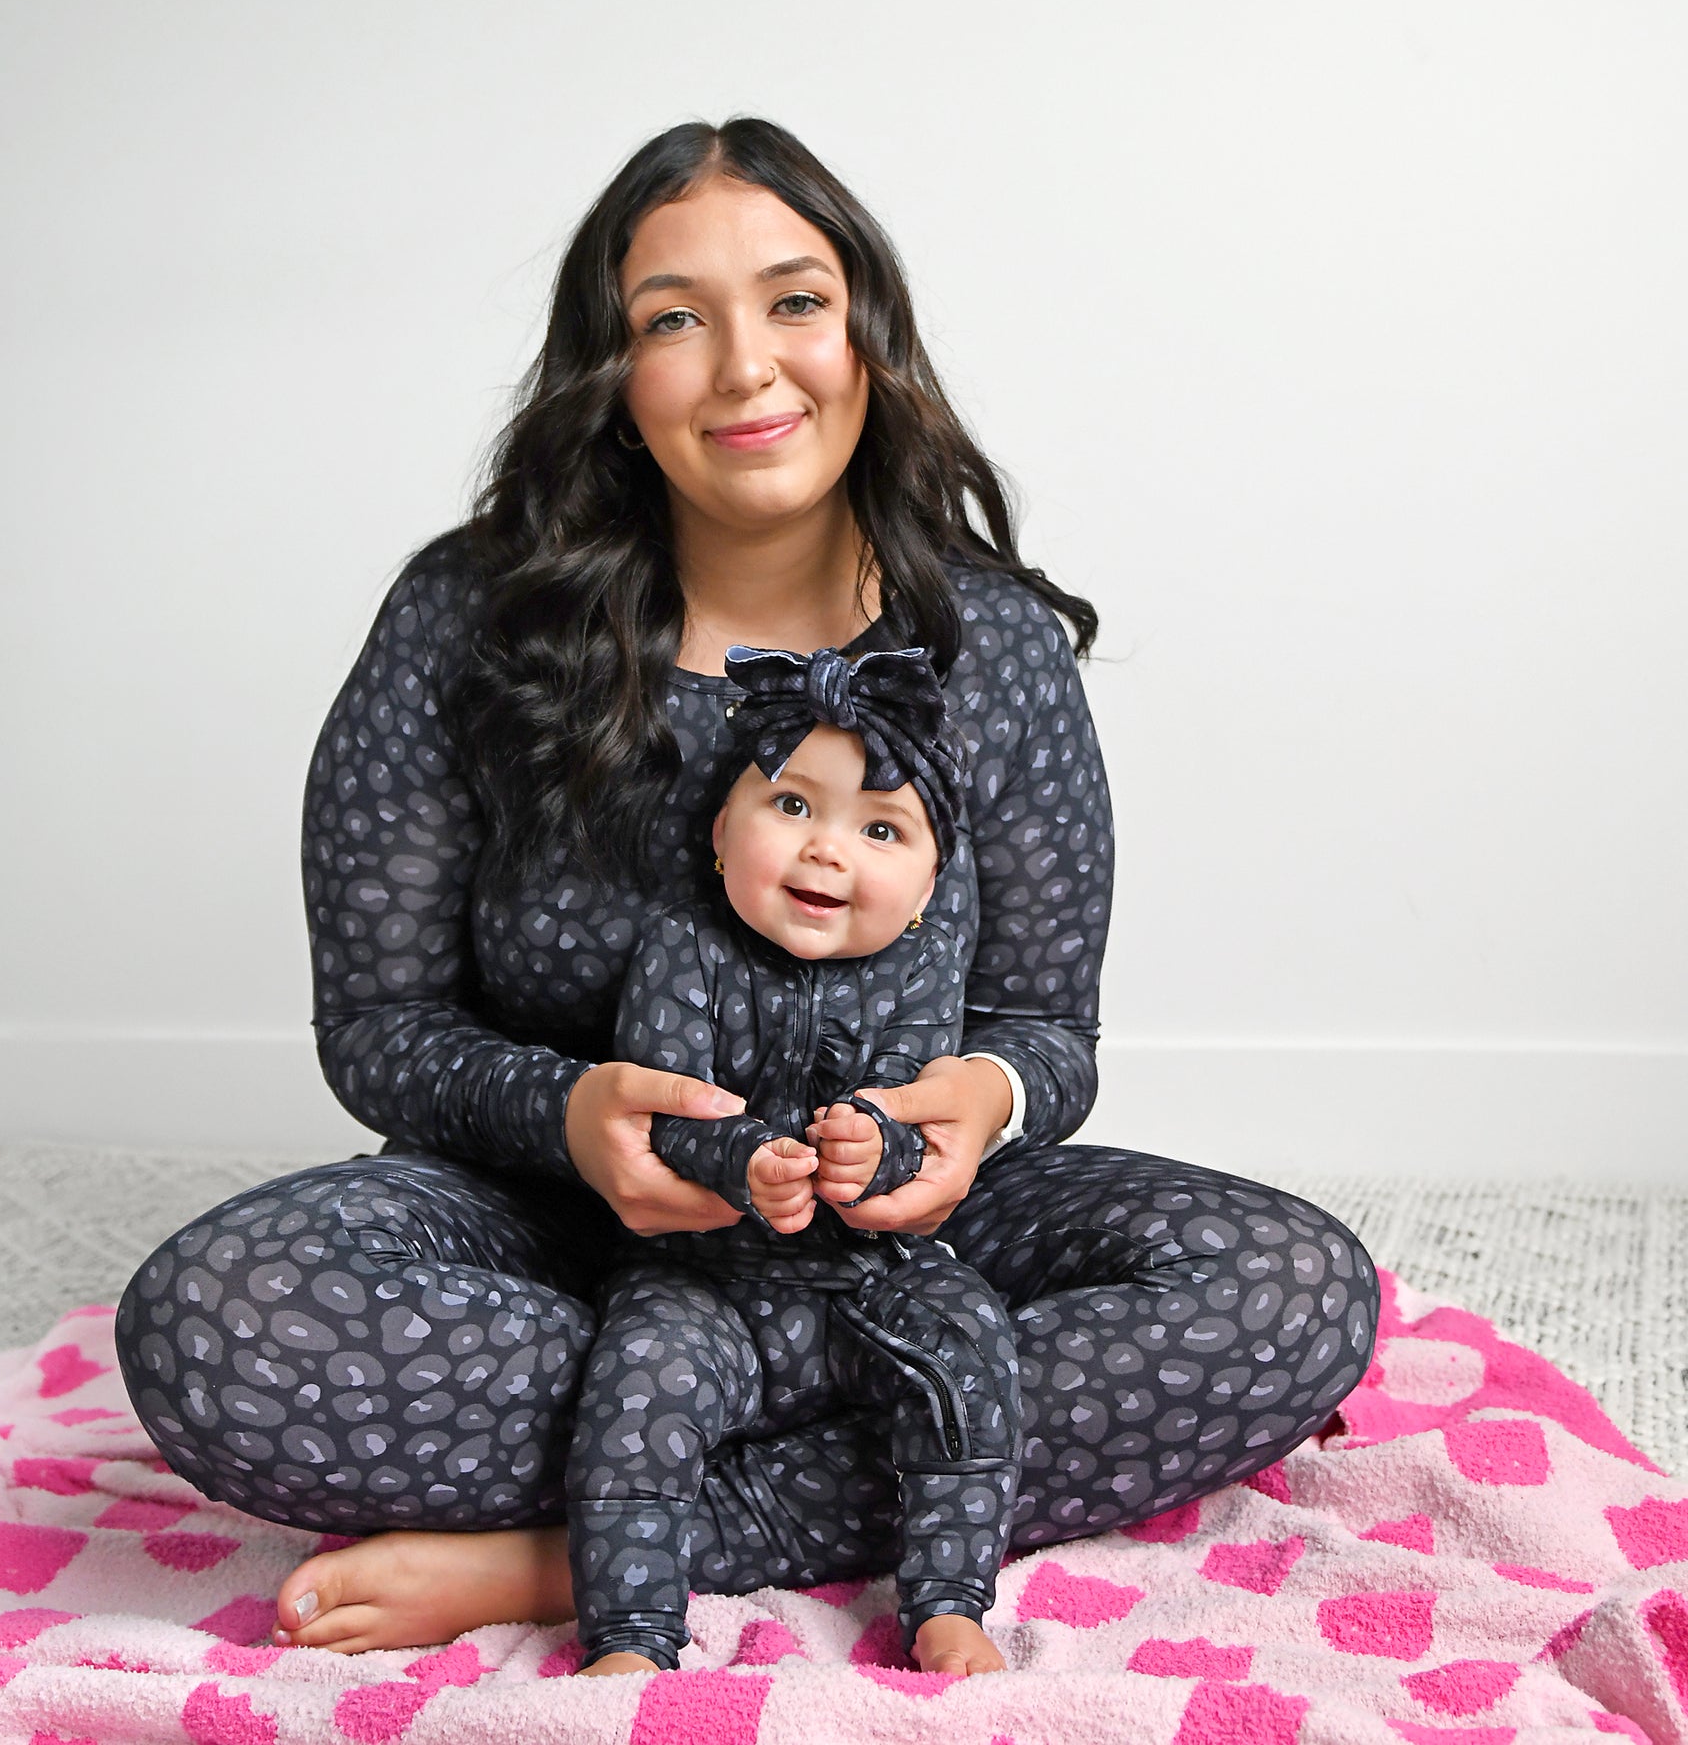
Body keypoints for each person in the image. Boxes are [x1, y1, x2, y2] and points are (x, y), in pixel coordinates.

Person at [114, 116, 1380, 1664]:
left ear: (868, 334)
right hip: (560, 1236)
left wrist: (976, 1102)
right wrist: (568, 1116)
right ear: (610, 376)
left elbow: (1047, 1031)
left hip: (905, 1258)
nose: (746, 367)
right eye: (673, 321)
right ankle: (865, 1465)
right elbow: (380, 1028)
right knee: (220, 1319)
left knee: (1292, 1289)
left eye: (795, 301)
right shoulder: (468, 617)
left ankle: (600, 1547)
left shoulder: (992, 650)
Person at [572, 641, 1020, 1677]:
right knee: (638, 1384)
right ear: (721, 834)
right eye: (791, 806)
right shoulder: (686, 947)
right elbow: (666, 1109)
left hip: (871, 1279)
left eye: (880, 829)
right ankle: (631, 1632)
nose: (827, 851)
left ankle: (949, 1602)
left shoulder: (922, 964)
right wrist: (745, 1157)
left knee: (971, 1339)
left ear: (928, 888)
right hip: (705, 1277)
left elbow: (917, 1117)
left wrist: (878, 1147)